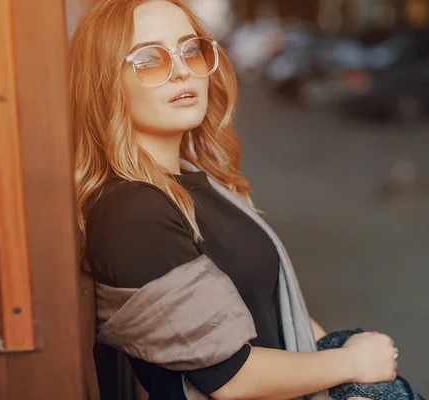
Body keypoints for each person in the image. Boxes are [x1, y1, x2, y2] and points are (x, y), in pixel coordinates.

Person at [70, 1, 398, 399]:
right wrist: (353, 364)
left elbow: (266, 297)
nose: (182, 70)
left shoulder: (190, 178)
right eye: (150, 59)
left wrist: (341, 357)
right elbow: (228, 378)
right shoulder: (133, 212)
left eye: (191, 50)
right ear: (105, 83)